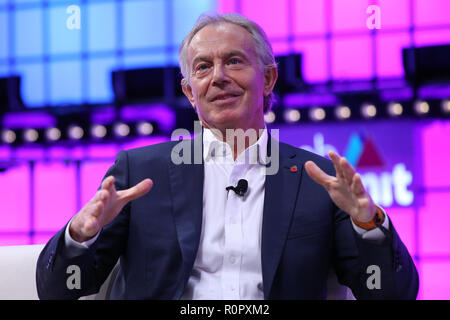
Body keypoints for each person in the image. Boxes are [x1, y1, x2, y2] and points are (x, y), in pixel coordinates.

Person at [36, 13, 418, 300]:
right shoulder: (139, 172)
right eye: (203, 67)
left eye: (234, 61)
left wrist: (368, 225)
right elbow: (58, 290)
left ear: (267, 79)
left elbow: (389, 294)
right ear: (189, 91)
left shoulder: (317, 180)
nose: (218, 76)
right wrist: (79, 237)